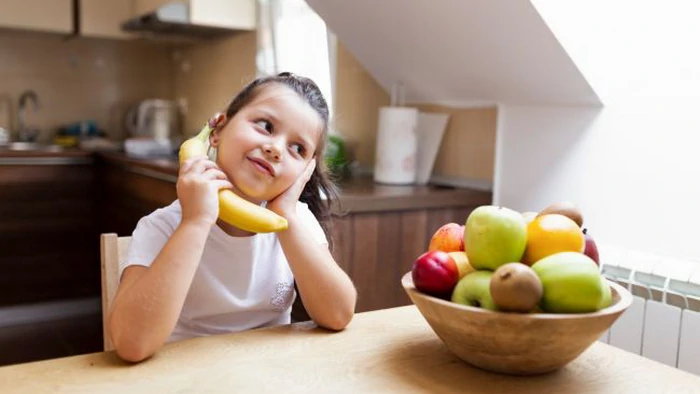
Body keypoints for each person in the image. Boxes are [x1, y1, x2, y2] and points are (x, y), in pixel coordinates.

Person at [108, 72, 357, 362]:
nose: (275, 149)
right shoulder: (163, 226)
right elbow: (131, 344)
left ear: (306, 170)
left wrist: (287, 216)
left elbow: (338, 315)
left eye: (297, 148)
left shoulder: (296, 221)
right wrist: (196, 222)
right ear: (218, 129)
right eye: (265, 126)